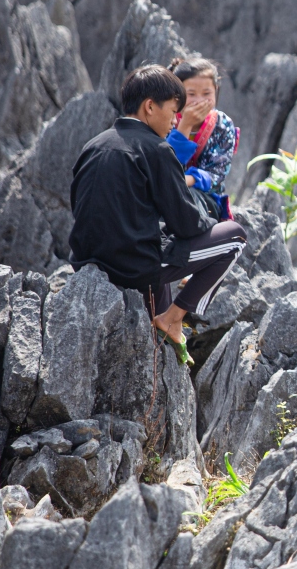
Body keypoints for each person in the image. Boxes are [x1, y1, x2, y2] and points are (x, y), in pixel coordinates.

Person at [69, 65, 247, 366]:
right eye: (173, 111)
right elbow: (188, 224)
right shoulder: (157, 149)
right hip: (131, 267)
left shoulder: (93, 146)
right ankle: (175, 318)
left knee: (163, 246)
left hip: (87, 263)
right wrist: (209, 222)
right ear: (150, 107)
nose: (175, 120)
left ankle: (162, 334)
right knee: (235, 237)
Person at [163, 57, 239, 220]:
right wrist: (185, 126)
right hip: (164, 193)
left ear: (216, 90)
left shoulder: (223, 125)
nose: (199, 100)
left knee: (187, 202)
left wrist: (183, 180)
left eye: (206, 93)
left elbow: (216, 176)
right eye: (191, 94)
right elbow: (163, 165)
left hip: (204, 200)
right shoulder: (165, 119)